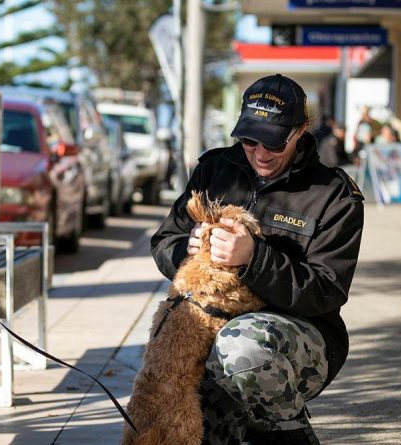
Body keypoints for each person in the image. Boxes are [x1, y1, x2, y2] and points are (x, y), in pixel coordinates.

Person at [151, 74, 364, 445]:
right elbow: (164, 240)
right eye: (250, 140)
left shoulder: (334, 194)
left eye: (274, 142)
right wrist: (191, 249)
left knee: (241, 345)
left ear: (300, 130)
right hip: (212, 327)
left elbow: (326, 291)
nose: (261, 153)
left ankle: (287, 433)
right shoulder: (215, 169)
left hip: (299, 337)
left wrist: (254, 259)